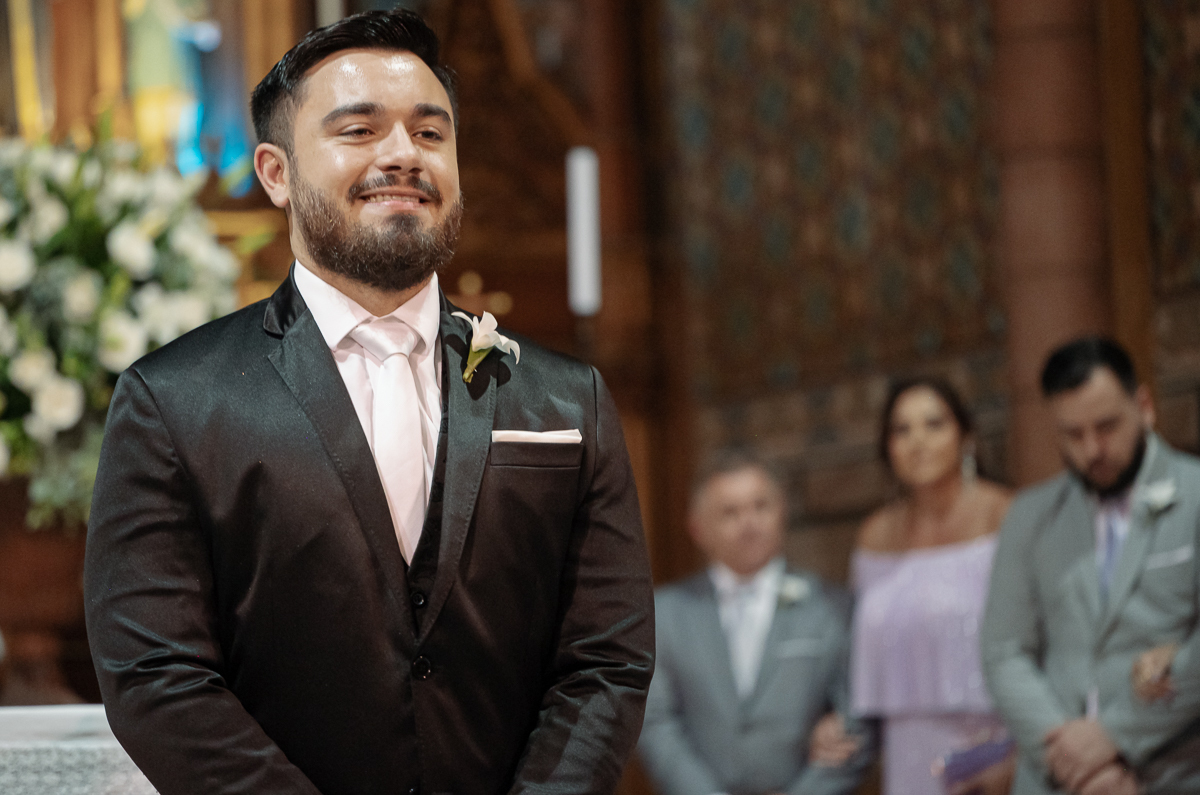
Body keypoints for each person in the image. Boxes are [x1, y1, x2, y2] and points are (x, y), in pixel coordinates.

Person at [82, 9, 654, 795]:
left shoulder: (568, 397)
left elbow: (605, 659)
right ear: (276, 173)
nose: (401, 155)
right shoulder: (174, 402)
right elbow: (157, 674)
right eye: (358, 130)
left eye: (430, 133)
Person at [982, 336, 1200, 794]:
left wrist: (1116, 736)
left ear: (1143, 405)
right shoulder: (1030, 515)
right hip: (1056, 778)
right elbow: (1003, 652)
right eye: (1073, 434)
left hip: (1170, 772)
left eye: (1106, 427)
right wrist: (1072, 759)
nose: (1092, 450)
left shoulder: (1195, 495)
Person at [638, 454, 871, 795]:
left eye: (761, 506)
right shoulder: (666, 613)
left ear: (783, 513)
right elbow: (655, 723)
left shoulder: (831, 607)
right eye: (730, 512)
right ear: (698, 529)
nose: (749, 523)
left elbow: (857, 721)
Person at [846, 376, 1014, 795]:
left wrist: (1018, 756)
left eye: (934, 424)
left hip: (993, 746)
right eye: (901, 430)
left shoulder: (1004, 515)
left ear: (965, 435)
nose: (917, 441)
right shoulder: (874, 535)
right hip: (906, 750)